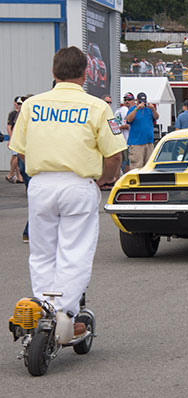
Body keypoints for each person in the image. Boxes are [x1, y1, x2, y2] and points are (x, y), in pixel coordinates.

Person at [8, 46, 126, 334]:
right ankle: (65, 315)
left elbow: (20, 151)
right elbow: (114, 156)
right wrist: (103, 181)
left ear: (53, 72)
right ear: (85, 74)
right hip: (78, 184)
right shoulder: (98, 107)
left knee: (42, 251)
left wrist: (39, 172)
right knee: (75, 251)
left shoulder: (33, 106)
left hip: (41, 184)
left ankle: (42, 309)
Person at [126, 92, 159, 169]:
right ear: (137, 101)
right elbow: (129, 119)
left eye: (144, 101)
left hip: (149, 142)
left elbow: (156, 117)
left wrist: (153, 109)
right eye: (140, 101)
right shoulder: (132, 109)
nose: (143, 103)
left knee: (148, 166)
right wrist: (137, 108)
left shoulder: (149, 110)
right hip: (137, 143)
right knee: (137, 166)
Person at [115, 92, 135, 174]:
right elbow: (128, 124)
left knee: (119, 162)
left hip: (119, 141)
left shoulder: (117, 111)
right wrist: (121, 127)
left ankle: (116, 178)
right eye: (125, 100)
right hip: (126, 141)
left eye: (129, 100)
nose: (127, 101)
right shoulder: (125, 110)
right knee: (128, 162)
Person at [6, 96, 24, 184]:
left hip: (20, 138)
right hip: (17, 138)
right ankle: (11, 174)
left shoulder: (23, 113)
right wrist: (11, 138)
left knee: (17, 156)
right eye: (19, 103)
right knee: (16, 156)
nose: (20, 105)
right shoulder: (14, 114)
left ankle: (19, 177)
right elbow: (10, 127)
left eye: (21, 103)